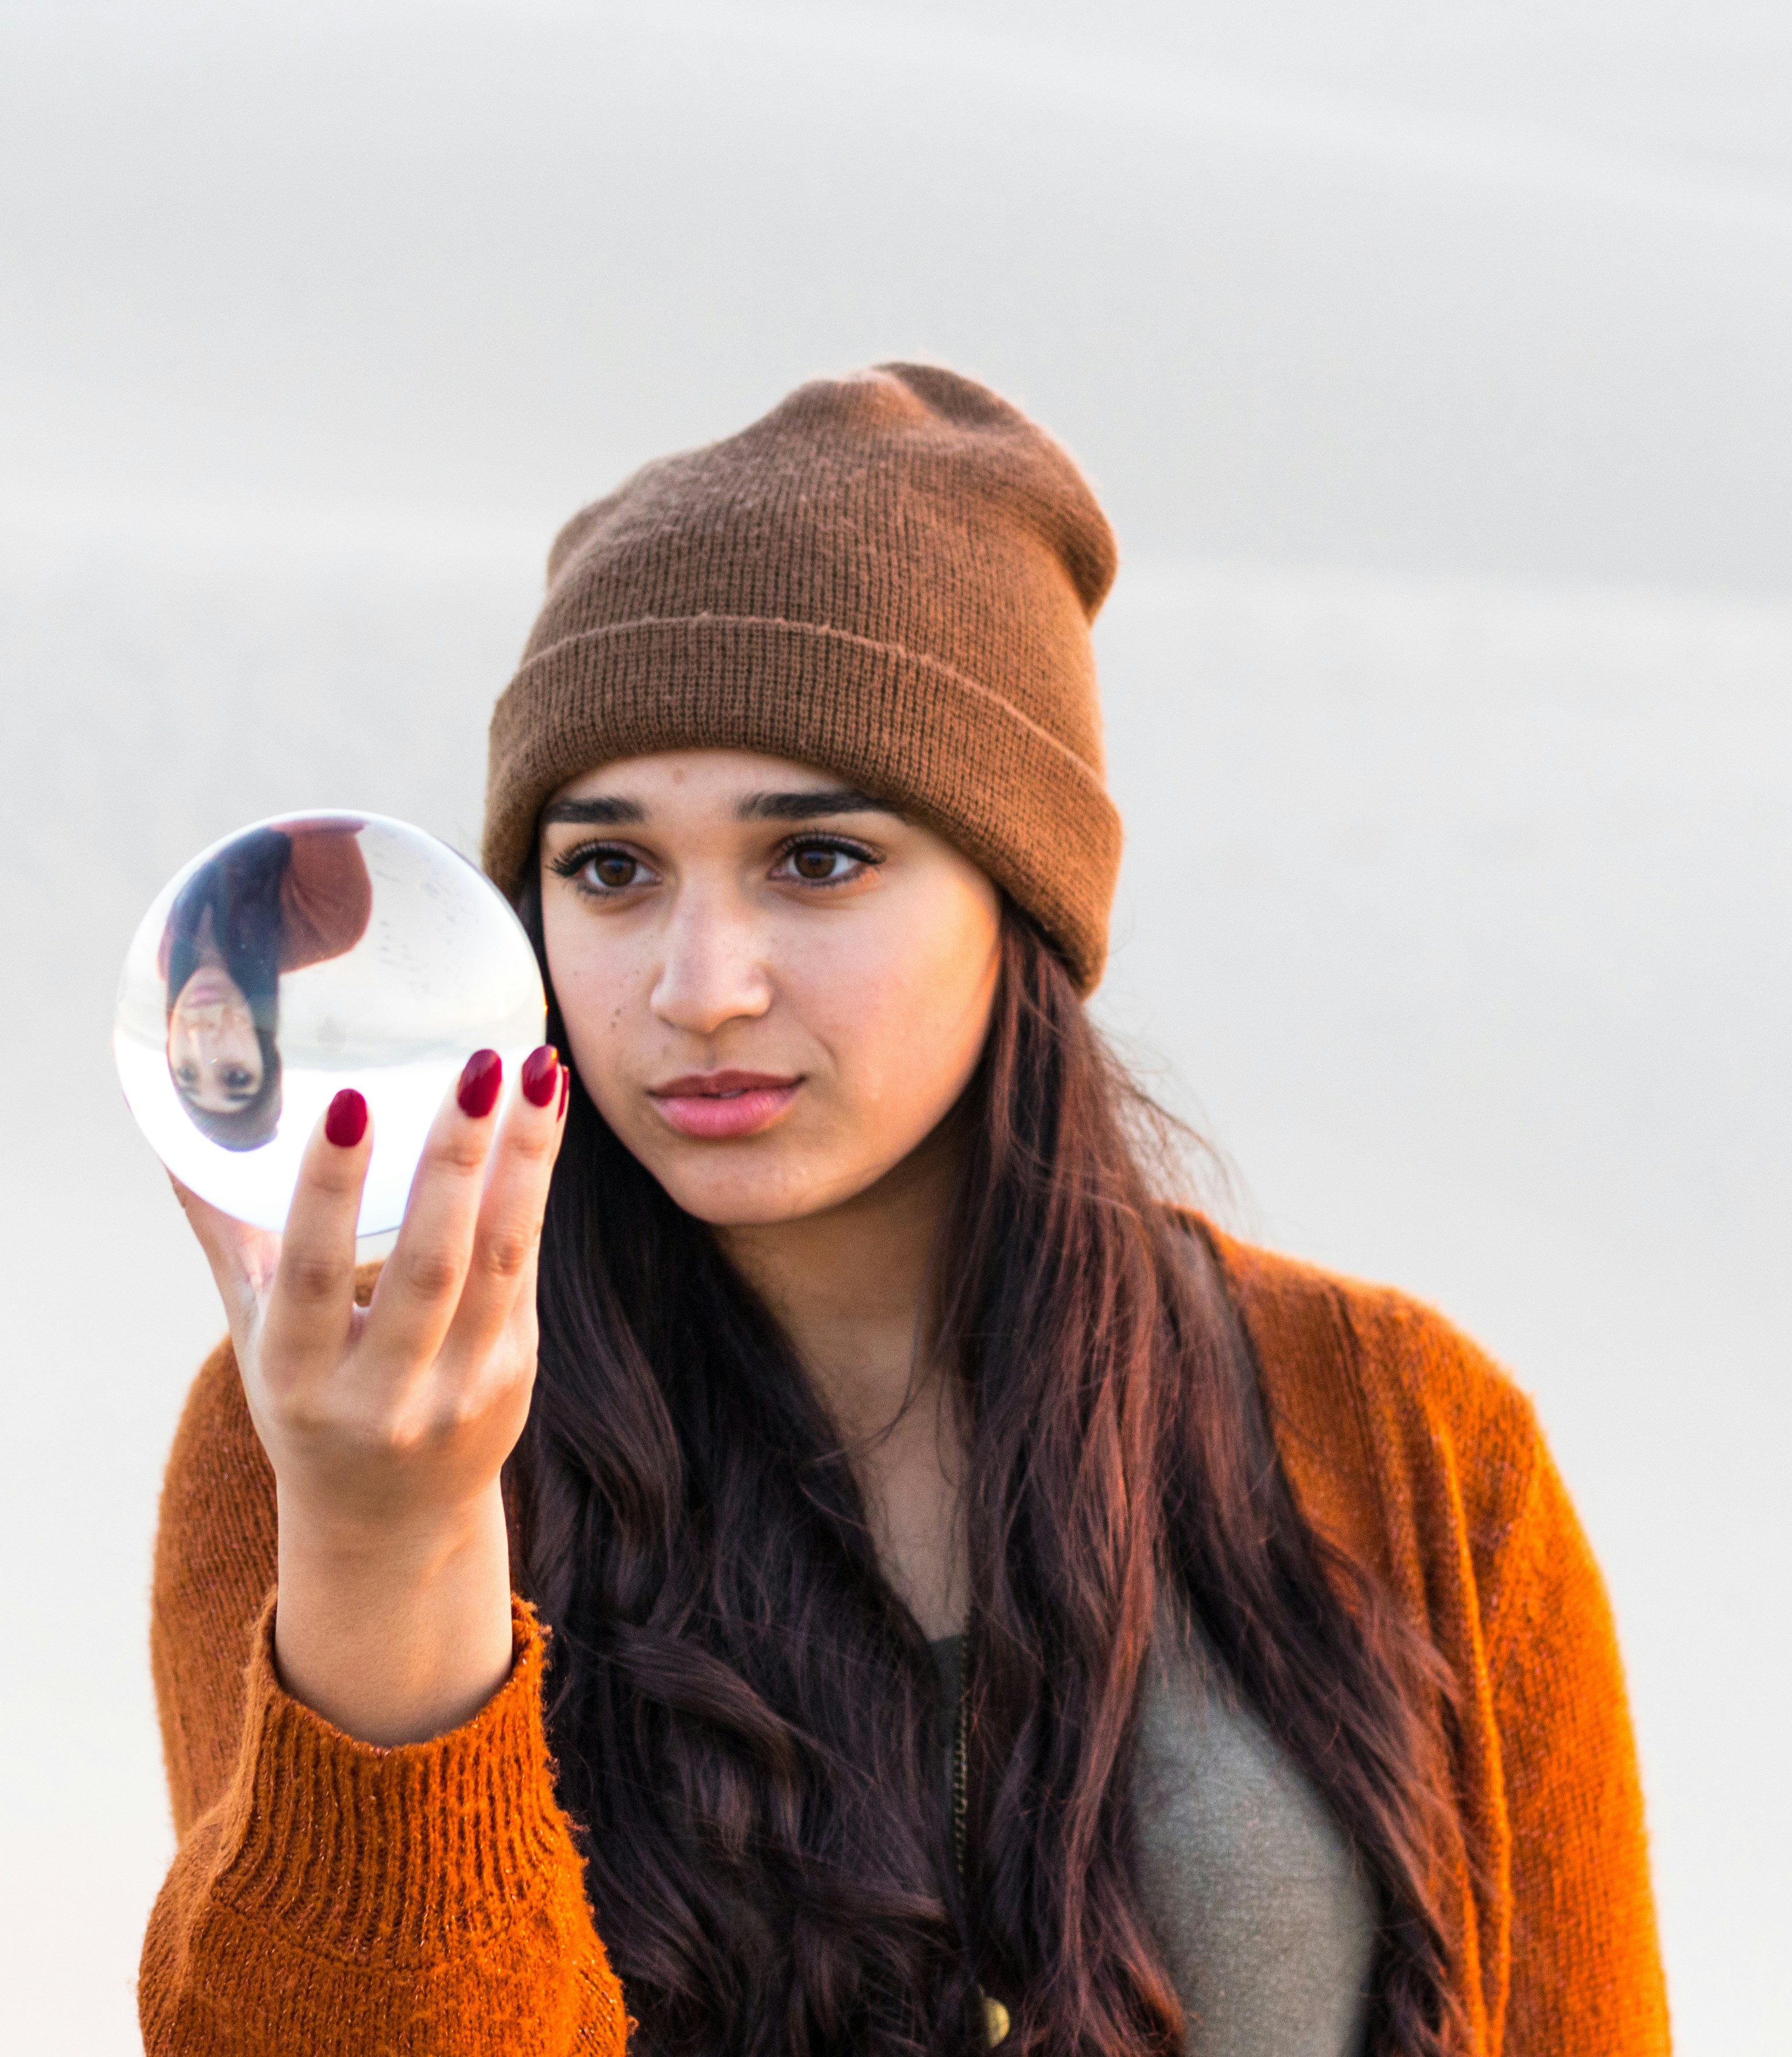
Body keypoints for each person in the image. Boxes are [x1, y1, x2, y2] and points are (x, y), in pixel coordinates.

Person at [139, 368, 1666, 2056]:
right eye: (607, 867)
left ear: (1015, 894)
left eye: (817, 862)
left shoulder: (1402, 1431)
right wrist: (386, 1545)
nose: (696, 985)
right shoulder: (345, 1416)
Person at [161, 817, 374, 1150]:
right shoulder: (329, 922)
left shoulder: (167, 958)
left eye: (186, 1074)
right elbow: (307, 789)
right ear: (265, 1050)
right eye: (236, 1076)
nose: (200, 1040)